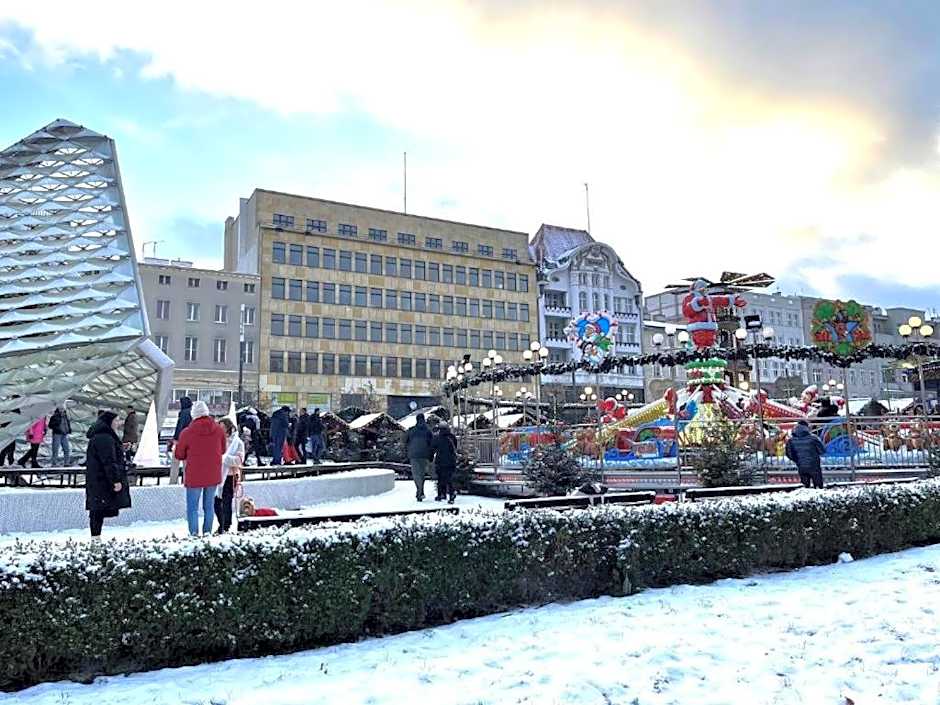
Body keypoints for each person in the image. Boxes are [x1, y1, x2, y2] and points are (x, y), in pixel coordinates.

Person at [173, 400, 227, 536]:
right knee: (209, 507)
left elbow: (179, 454)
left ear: (194, 415)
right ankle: (207, 533)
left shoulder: (187, 432)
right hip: (213, 474)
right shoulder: (219, 430)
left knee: (192, 508)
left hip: (194, 475)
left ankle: (194, 535)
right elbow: (223, 450)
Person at [84, 410, 131, 538]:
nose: (118, 423)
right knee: (98, 511)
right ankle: (96, 539)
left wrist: (119, 448)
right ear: (109, 422)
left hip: (98, 480)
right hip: (102, 481)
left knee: (97, 509)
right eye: (116, 420)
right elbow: (108, 461)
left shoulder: (102, 436)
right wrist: (116, 480)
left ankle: (96, 538)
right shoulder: (105, 438)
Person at [215, 417, 244, 533]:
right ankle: (221, 523)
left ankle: (225, 526)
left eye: (222, 427)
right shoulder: (216, 440)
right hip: (217, 474)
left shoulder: (237, 443)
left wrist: (224, 459)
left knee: (227, 502)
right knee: (216, 502)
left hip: (230, 475)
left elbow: (239, 460)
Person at [785, 420, 826, 489]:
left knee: (805, 488)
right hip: (814, 466)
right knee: (819, 488)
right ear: (807, 427)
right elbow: (822, 451)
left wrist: (797, 460)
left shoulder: (791, 440)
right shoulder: (813, 438)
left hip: (801, 466)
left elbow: (789, 454)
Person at [405, 413, 434, 501]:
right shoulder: (428, 431)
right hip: (424, 455)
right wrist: (431, 456)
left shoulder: (411, 430)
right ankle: (420, 492)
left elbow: (405, 441)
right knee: (422, 474)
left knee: (416, 474)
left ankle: (419, 492)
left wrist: (408, 452)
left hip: (413, 455)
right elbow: (431, 444)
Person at [431, 421, 458, 504]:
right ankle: (451, 495)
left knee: (440, 478)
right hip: (451, 461)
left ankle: (441, 495)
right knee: (449, 479)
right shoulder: (452, 437)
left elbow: (432, 448)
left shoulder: (437, 438)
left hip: (440, 461)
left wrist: (430, 458)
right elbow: (455, 447)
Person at [169, 396, 193, 484]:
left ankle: (173, 481)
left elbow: (180, 426)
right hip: (191, 443)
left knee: (175, 462)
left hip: (181, 441)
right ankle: (186, 481)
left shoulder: (184, 413)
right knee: (186, 464)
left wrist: (175, 439)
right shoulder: (193, 413)